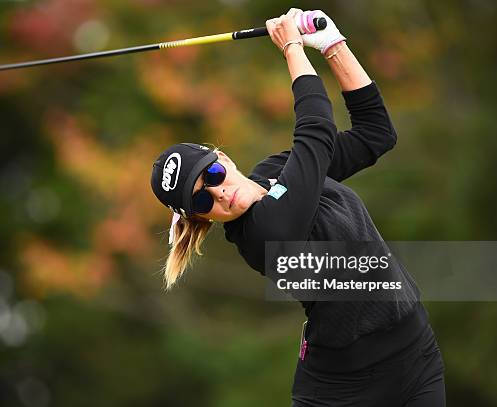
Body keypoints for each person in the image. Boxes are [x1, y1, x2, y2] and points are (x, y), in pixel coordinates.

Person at [150, 8, 445, 407]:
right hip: (343, 390)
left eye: (214, 174)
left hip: (415, 354)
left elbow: (375, 135)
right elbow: (317, 133)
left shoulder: (273, 171)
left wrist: (332, 46)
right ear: (200, 218)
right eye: (202, 200)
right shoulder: (261, 237)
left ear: (224, 157)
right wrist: (291, 47)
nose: (219, 194)